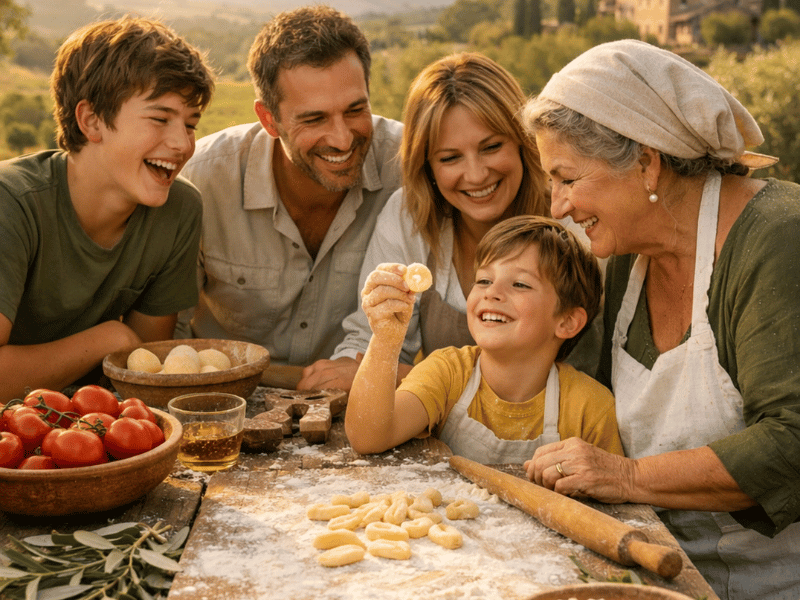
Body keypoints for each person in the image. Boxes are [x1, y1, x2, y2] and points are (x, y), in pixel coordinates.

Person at [522, 40, 800, 600]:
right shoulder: (627, 252)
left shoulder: (778, 237)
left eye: (568, 178)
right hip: (659, 571)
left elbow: (791, 441)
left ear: (646, 162)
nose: (556, 206)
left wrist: (626, 478)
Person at [301, 52, 566, 392]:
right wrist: (354, 365)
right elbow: (373, 336)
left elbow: (579, 376)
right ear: (427, 168)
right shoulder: (409, 217)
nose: (475, 174)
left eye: (491, 147)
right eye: (450, 158)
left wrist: (398, 376)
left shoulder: (568, 221)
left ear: (522, 141)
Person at [0, 17, 215, 403]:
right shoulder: (11, 203)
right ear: (91, 120)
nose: (182, 144)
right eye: (160, 119)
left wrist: (119, 349)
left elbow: (142, 371)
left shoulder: (178, 210)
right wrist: (107, 338)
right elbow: (124, 348)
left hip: (82, 427)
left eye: (191, 124)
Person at [177, 5, 403, 370]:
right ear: (269, 119)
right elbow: (170, 335)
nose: (343, 139)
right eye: (314, 119)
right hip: (225, 399)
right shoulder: (202, 181)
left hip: (357, 397)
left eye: (355, 110)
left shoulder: (410, 168)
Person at [346, 215, 623, 463]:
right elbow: (369, 436)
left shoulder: (590, 408)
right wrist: (385, 341)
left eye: (520, 284)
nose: (492, 293)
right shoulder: (447, 373)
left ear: (567, 322)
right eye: (483, 280)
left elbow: (610, 502)